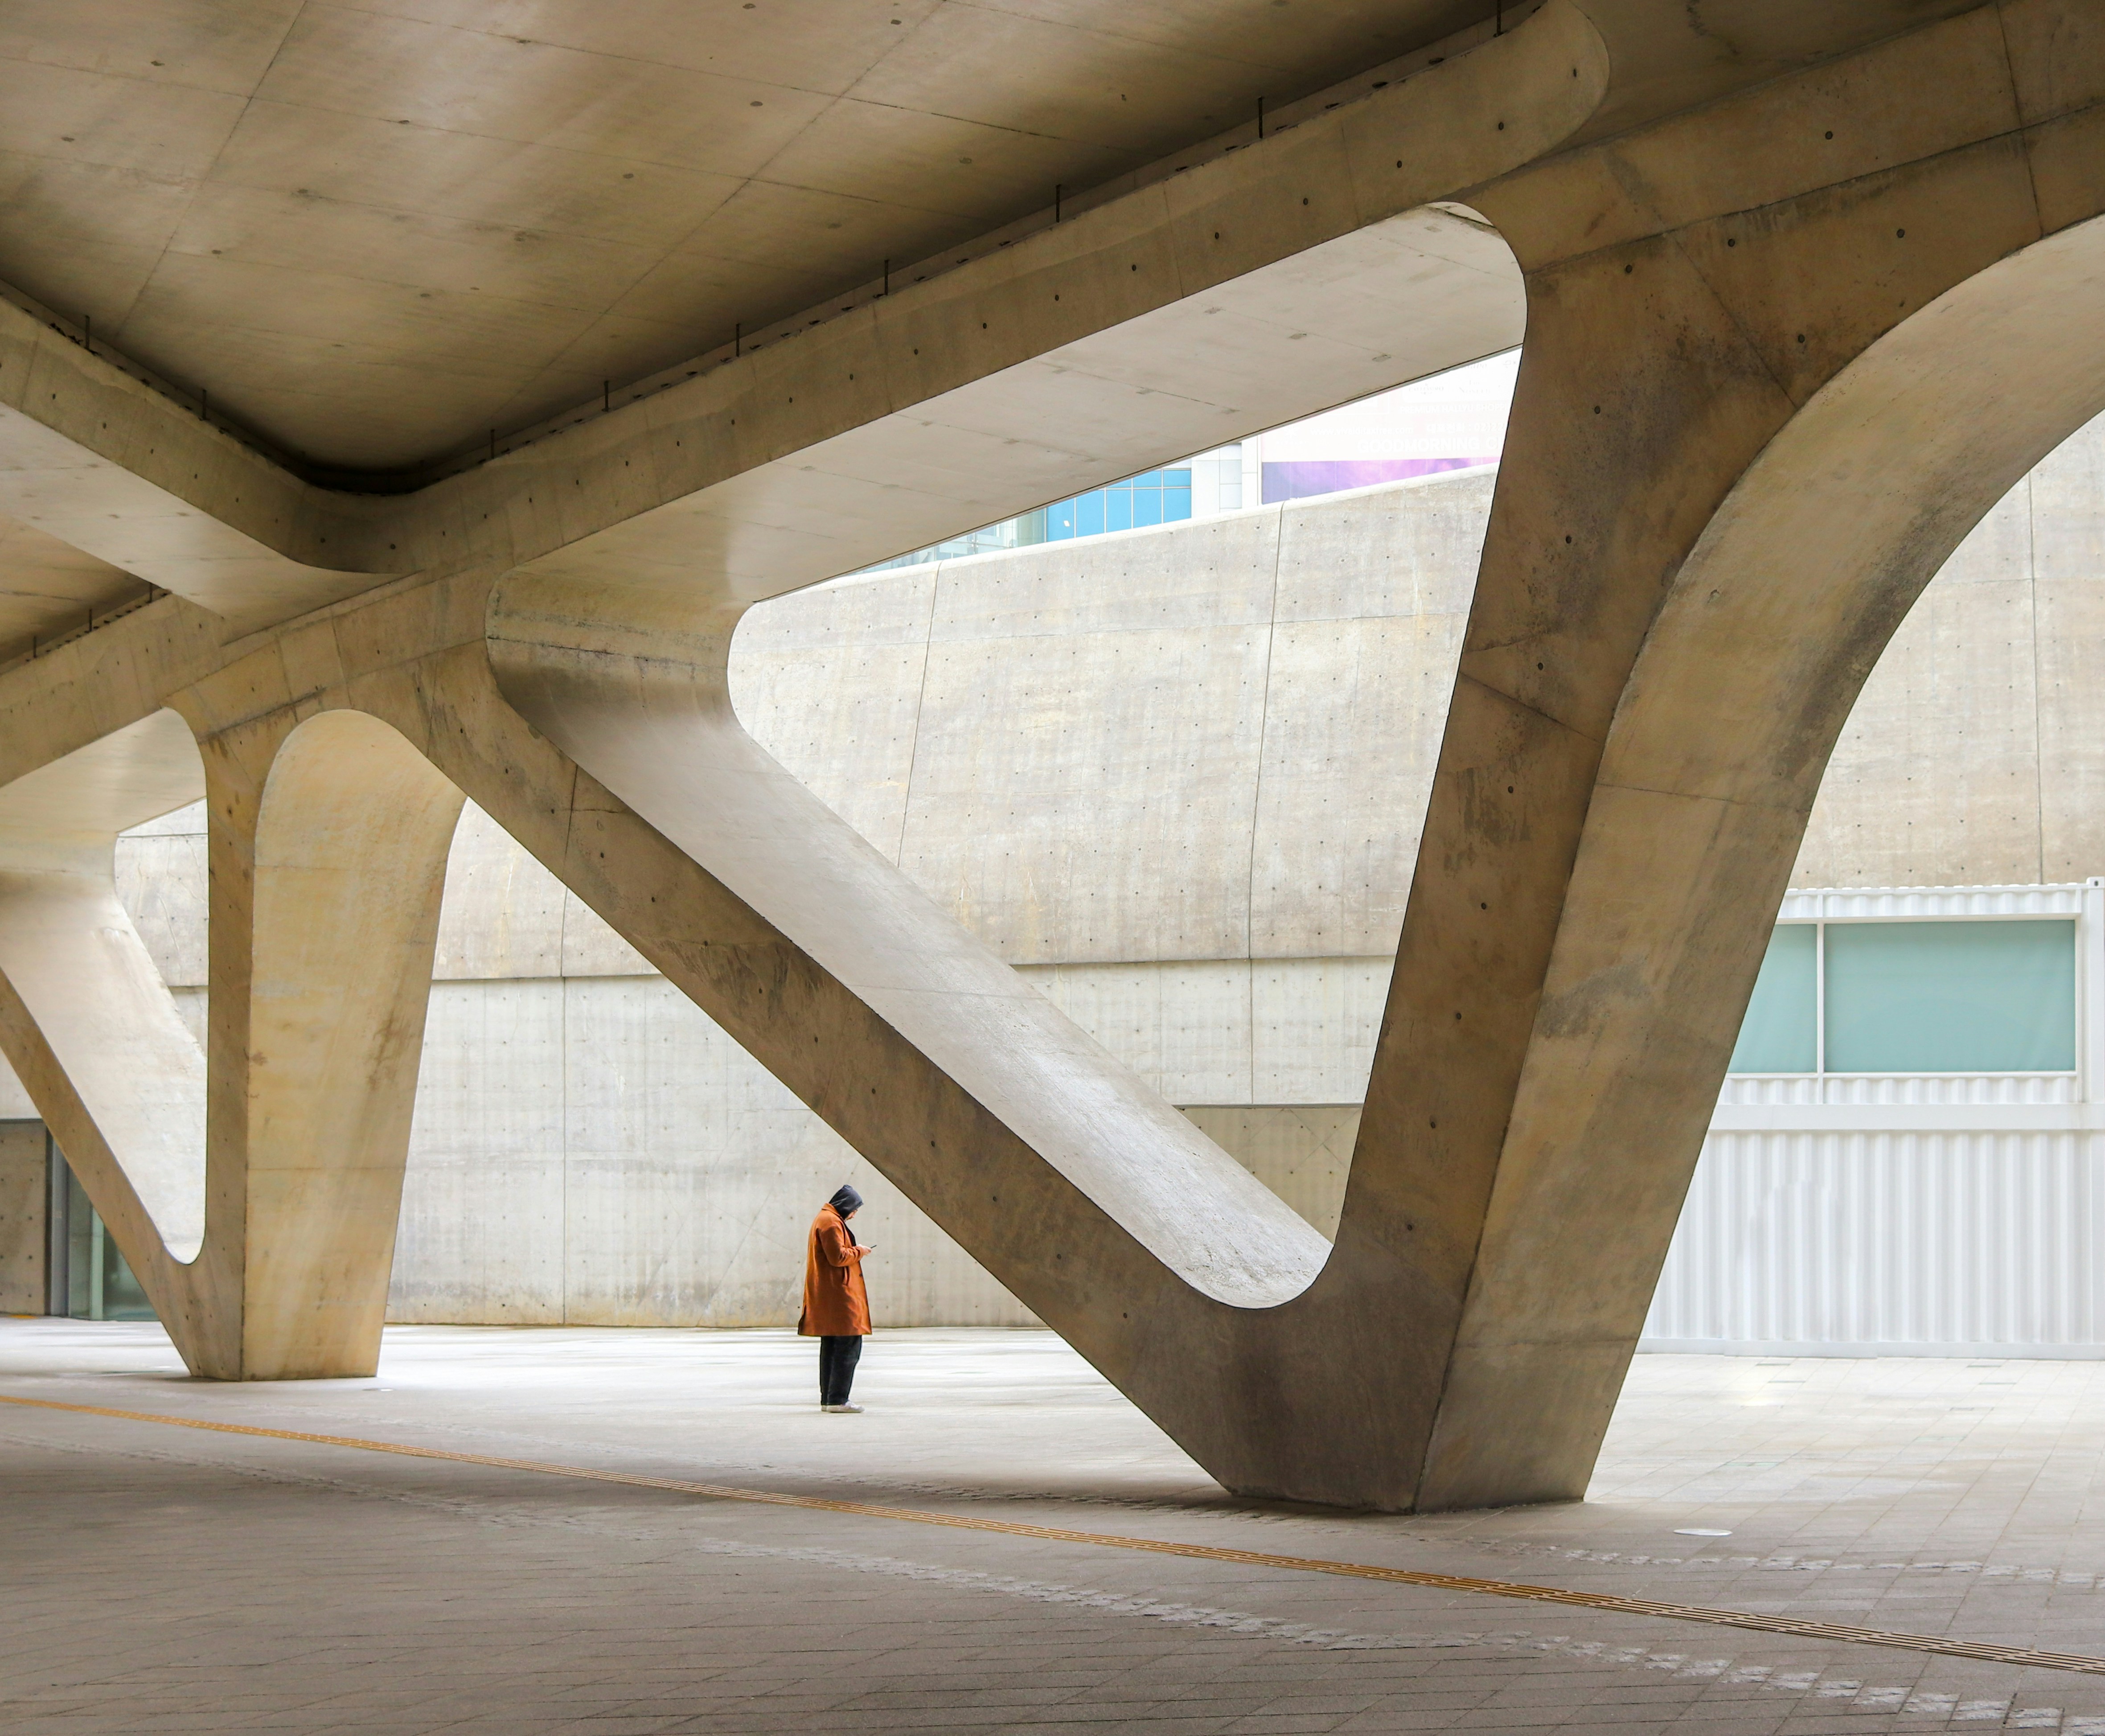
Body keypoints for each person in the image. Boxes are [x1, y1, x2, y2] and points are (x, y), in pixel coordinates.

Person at [799, 1183, 874, 1412]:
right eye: (854, 1209)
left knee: (831, 1348)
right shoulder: (831, 1222)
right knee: (848, 1347)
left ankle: (830, 1399)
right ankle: (839, 1400)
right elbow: (838, 1257)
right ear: (845, 1206)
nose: (855, 1214)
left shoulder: (826, 1219)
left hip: (831, 1296)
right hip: (840, 1298)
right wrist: (860, 1250)